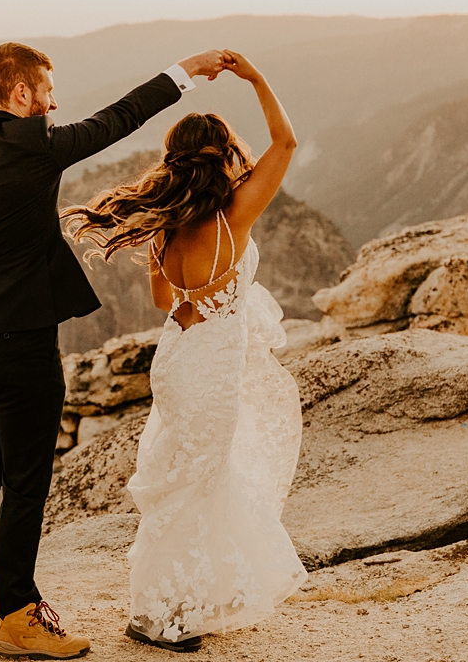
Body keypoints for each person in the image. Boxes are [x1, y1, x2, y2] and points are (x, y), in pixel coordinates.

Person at [0, 41, 227, 659]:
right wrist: (184, 73)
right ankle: (17, 614)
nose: (55, 104)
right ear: (19, 95)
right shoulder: (36, 145)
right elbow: (119, 119)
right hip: (21, 339)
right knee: (27, 477)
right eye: (47, 91)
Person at [63, 50, 307, 653]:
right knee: (200, 484)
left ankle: (167, 603)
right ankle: (169, 614)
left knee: (177, 483)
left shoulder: (165, 223)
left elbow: (162, 299)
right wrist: (255, 77)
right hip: (214, 369)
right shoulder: (235, 216)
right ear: (224, 157)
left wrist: (201, 295)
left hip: (177, 360)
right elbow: (287, 142)